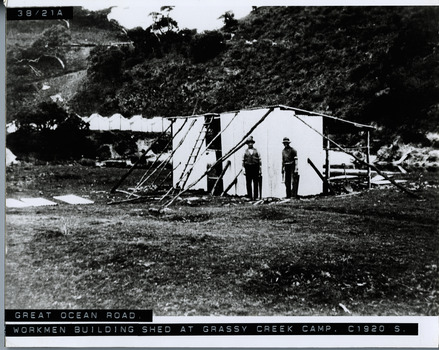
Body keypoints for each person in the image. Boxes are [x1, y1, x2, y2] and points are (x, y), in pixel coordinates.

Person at [242, 136, 261, 200]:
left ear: (253, 143)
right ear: (247, 144)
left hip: (255, 167)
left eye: (251, 143)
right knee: (248, 182)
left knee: (255, 182)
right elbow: (243, 161)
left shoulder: (257, 151)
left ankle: (256, 197)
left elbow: (260, 160)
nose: (250, 144)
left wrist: (260, 169)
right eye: (249, 143)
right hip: (248, 167)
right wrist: (243, 169)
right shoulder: (245, 151)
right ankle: (249, 196)